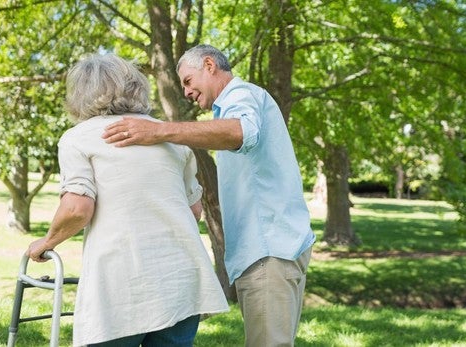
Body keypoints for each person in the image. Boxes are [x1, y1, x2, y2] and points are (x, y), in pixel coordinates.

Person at [102, 44, 315, 347]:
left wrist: (159, 131)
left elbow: (241, 132)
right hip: (275, 247)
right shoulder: (235, 104)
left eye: (189, 81)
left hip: (269, 250)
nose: (187, 92)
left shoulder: (241, 96)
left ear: (210, 65)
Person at [25, 53, 229, 347]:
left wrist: (47, 243)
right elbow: (193, 210)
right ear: (137, 87)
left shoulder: (79, 137)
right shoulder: (170, 139)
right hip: (182, 280)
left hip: (123, 285)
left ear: (81, 94)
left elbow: (77, 208)